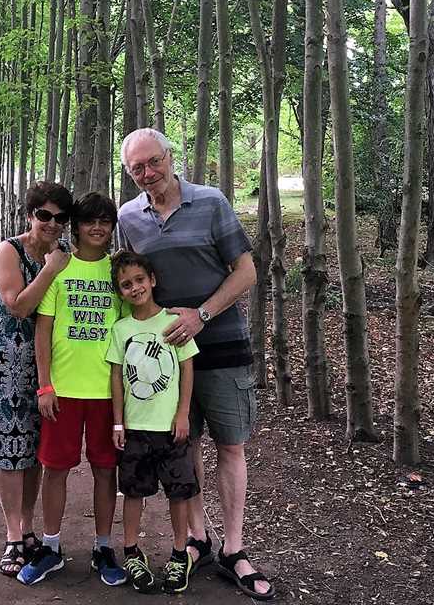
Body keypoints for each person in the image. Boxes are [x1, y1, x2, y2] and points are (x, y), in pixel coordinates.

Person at [117, 128, 274, 601]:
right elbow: (128, 280)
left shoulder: (211, 202)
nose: (148, 173)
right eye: (136, 169)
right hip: (163, 358)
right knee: (186, 446)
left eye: (153, 162)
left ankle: (234, 548)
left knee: (230, 445)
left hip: (222, 346)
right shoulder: (129, 217)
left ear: (170, 157)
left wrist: (202, 315)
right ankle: (196, 540)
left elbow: (246, 270)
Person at [18, 191, 127, 588]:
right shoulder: (59, 268)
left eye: (105, 221)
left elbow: (130, 329)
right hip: (62, 392)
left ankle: (103, 547)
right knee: (56, 469)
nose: (97, 228)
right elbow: (42, 332)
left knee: (104, 470)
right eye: (88, 221)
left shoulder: (119, 273)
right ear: (77, 226)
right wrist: (46, 385)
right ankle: (50, 546)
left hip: (105, 393)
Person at [0, 181, 74, 577]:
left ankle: (28, 527)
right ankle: (14, 535)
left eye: (60, 217)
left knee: (34, 448)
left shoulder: (65, 256)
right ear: (30, 215)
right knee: (9, 446)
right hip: (3, 360)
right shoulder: (8, 250)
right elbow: (16, 306)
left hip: (45, 363)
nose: (51, 223)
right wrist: (49, 269)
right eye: (43, 215)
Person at [107, 249, 199, 595]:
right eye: (126, 284)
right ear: (120, 291)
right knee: (133, 491)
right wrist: (118, 422)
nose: (134, 288)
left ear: (152, 280)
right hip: (135, 428)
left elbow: (187, 368)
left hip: (170, 428)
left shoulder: (172, 323)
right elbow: (116, 378)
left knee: (179, 492)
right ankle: (132, 551)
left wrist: (182, 414)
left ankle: (179, 554)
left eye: (139, 280)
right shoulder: (121, 330)